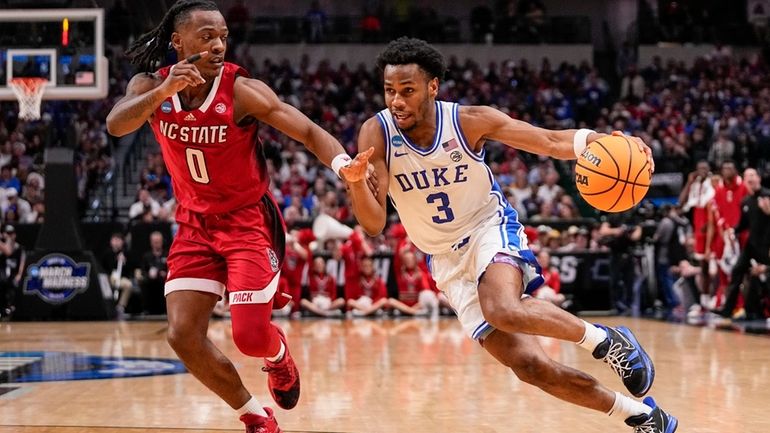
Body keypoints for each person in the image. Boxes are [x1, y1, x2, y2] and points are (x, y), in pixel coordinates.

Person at [341, 37, 677, 433]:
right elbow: (374, 223)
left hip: (488, 228)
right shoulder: (375, 133)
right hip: (444, 260)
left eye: (407, 90)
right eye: (389, 91)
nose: (396, 100)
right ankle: (642, 417)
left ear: (432, 87)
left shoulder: (469, 120)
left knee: (503, 307)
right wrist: (358, 184)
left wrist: (602, 140)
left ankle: (607, 341)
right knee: (531, 367)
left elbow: (548, 141)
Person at [106, 1, 363, 431]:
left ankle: (278, 355)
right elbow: (116, 125)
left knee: (248, 338)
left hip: (246, 220)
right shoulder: (149, 85)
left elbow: (307, 130)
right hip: (193, 224)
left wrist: (343, 166)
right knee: (182, 335)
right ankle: (255, 416)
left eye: (223, 35)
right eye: (207, 36)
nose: (219, 44)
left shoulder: (241, 90)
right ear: (178, 41)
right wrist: (162, 93)